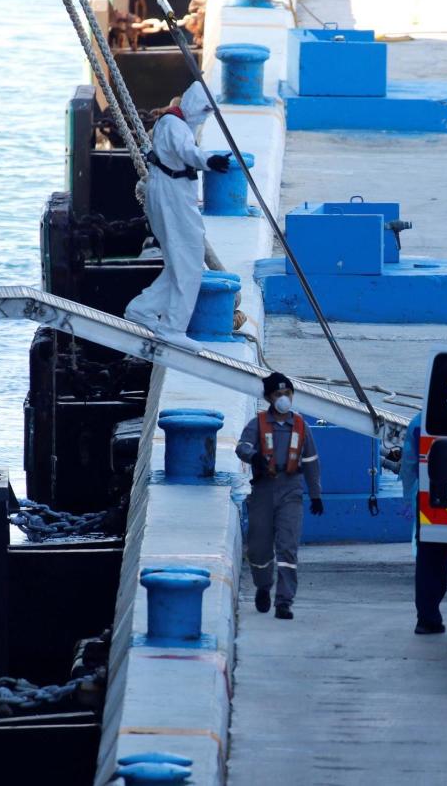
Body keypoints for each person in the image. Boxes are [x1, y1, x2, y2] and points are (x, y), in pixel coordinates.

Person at [124, 82, 232, 341]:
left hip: (170, 192)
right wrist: (209, 161)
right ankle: (173, 328)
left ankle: (142, 309)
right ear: (195, 104)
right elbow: (187, 151)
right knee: (190, 263)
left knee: (177, 265)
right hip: (172, 196)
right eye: (204, 109)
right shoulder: (175, 126)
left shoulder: (174, 122)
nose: (205, 115)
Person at [236, 372, 323, 620]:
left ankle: (284, 601)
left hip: (291, 490)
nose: (284, 398)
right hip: (264, 490)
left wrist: (316, 494)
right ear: (268, 397)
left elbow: (311, 461)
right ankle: (263, 585)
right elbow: (241, 447)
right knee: (259, 548)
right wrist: (253, 457)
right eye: (278, 394)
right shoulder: (258, 423)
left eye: (287, 393)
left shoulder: (301, 426)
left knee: (288, 546)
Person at [399, 412, 447, 637]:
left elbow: (409, 465)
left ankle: (427, 619)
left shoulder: (419, 422)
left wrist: (409, 498)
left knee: (429, 564)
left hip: (433, 501)